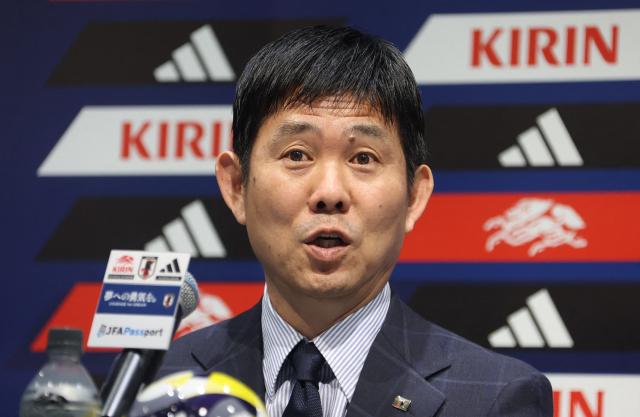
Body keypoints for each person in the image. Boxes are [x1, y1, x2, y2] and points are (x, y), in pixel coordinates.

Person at [157, 26, 553, 417]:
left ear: (414, 196)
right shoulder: (159, 384)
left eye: (363, 158)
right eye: (297, 154)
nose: (330, 192)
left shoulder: (494, 399)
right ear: (237, 186)